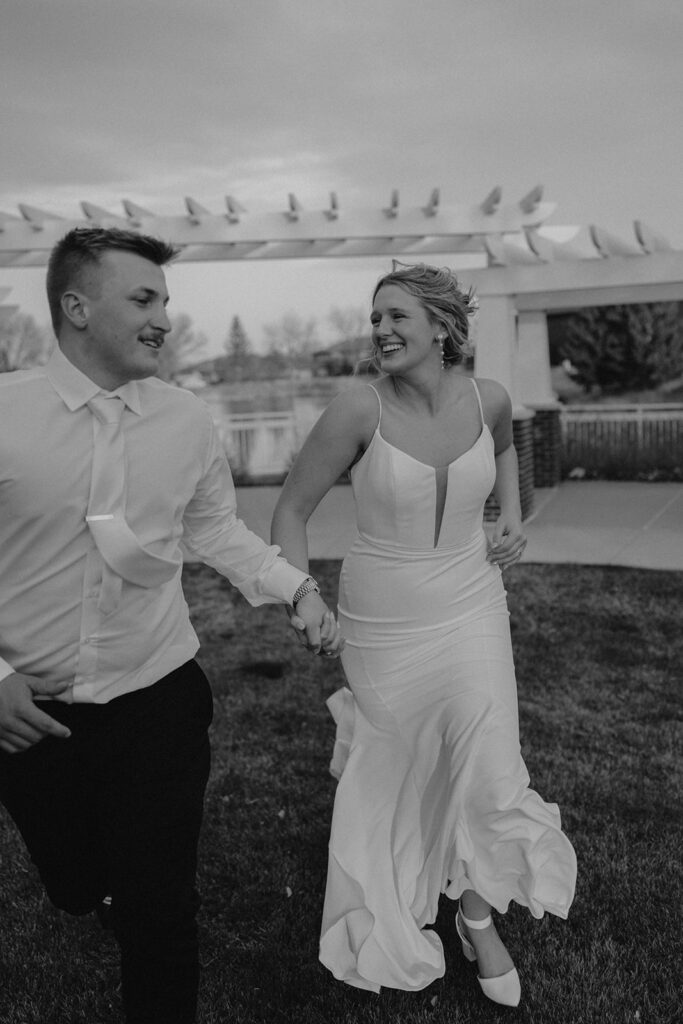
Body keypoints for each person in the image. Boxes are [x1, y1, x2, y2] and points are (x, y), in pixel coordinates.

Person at [0, 226, 342, 1024]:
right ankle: (97, 886)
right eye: (144, 299)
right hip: (30, 715)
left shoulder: (186, 420)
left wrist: (297, 589)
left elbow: (216, 531)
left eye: (166, 302)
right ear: (76, 307)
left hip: (157, 697)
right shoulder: (4, 414)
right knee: (77, 885)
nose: (164, 319)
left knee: (162, 911)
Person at [271, 262, 577, 1007]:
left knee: (489, 761)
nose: (380, 330)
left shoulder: (489, 398)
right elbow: (289, 512)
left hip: (473, 599)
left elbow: (503, 451)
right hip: (383, 615)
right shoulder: (354, 411)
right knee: (400, 765)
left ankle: (474, 914)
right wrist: (302, 592)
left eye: (397, 316)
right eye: (374, 317)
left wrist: (509, 519)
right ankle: (394, 894)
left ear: (441, 327)